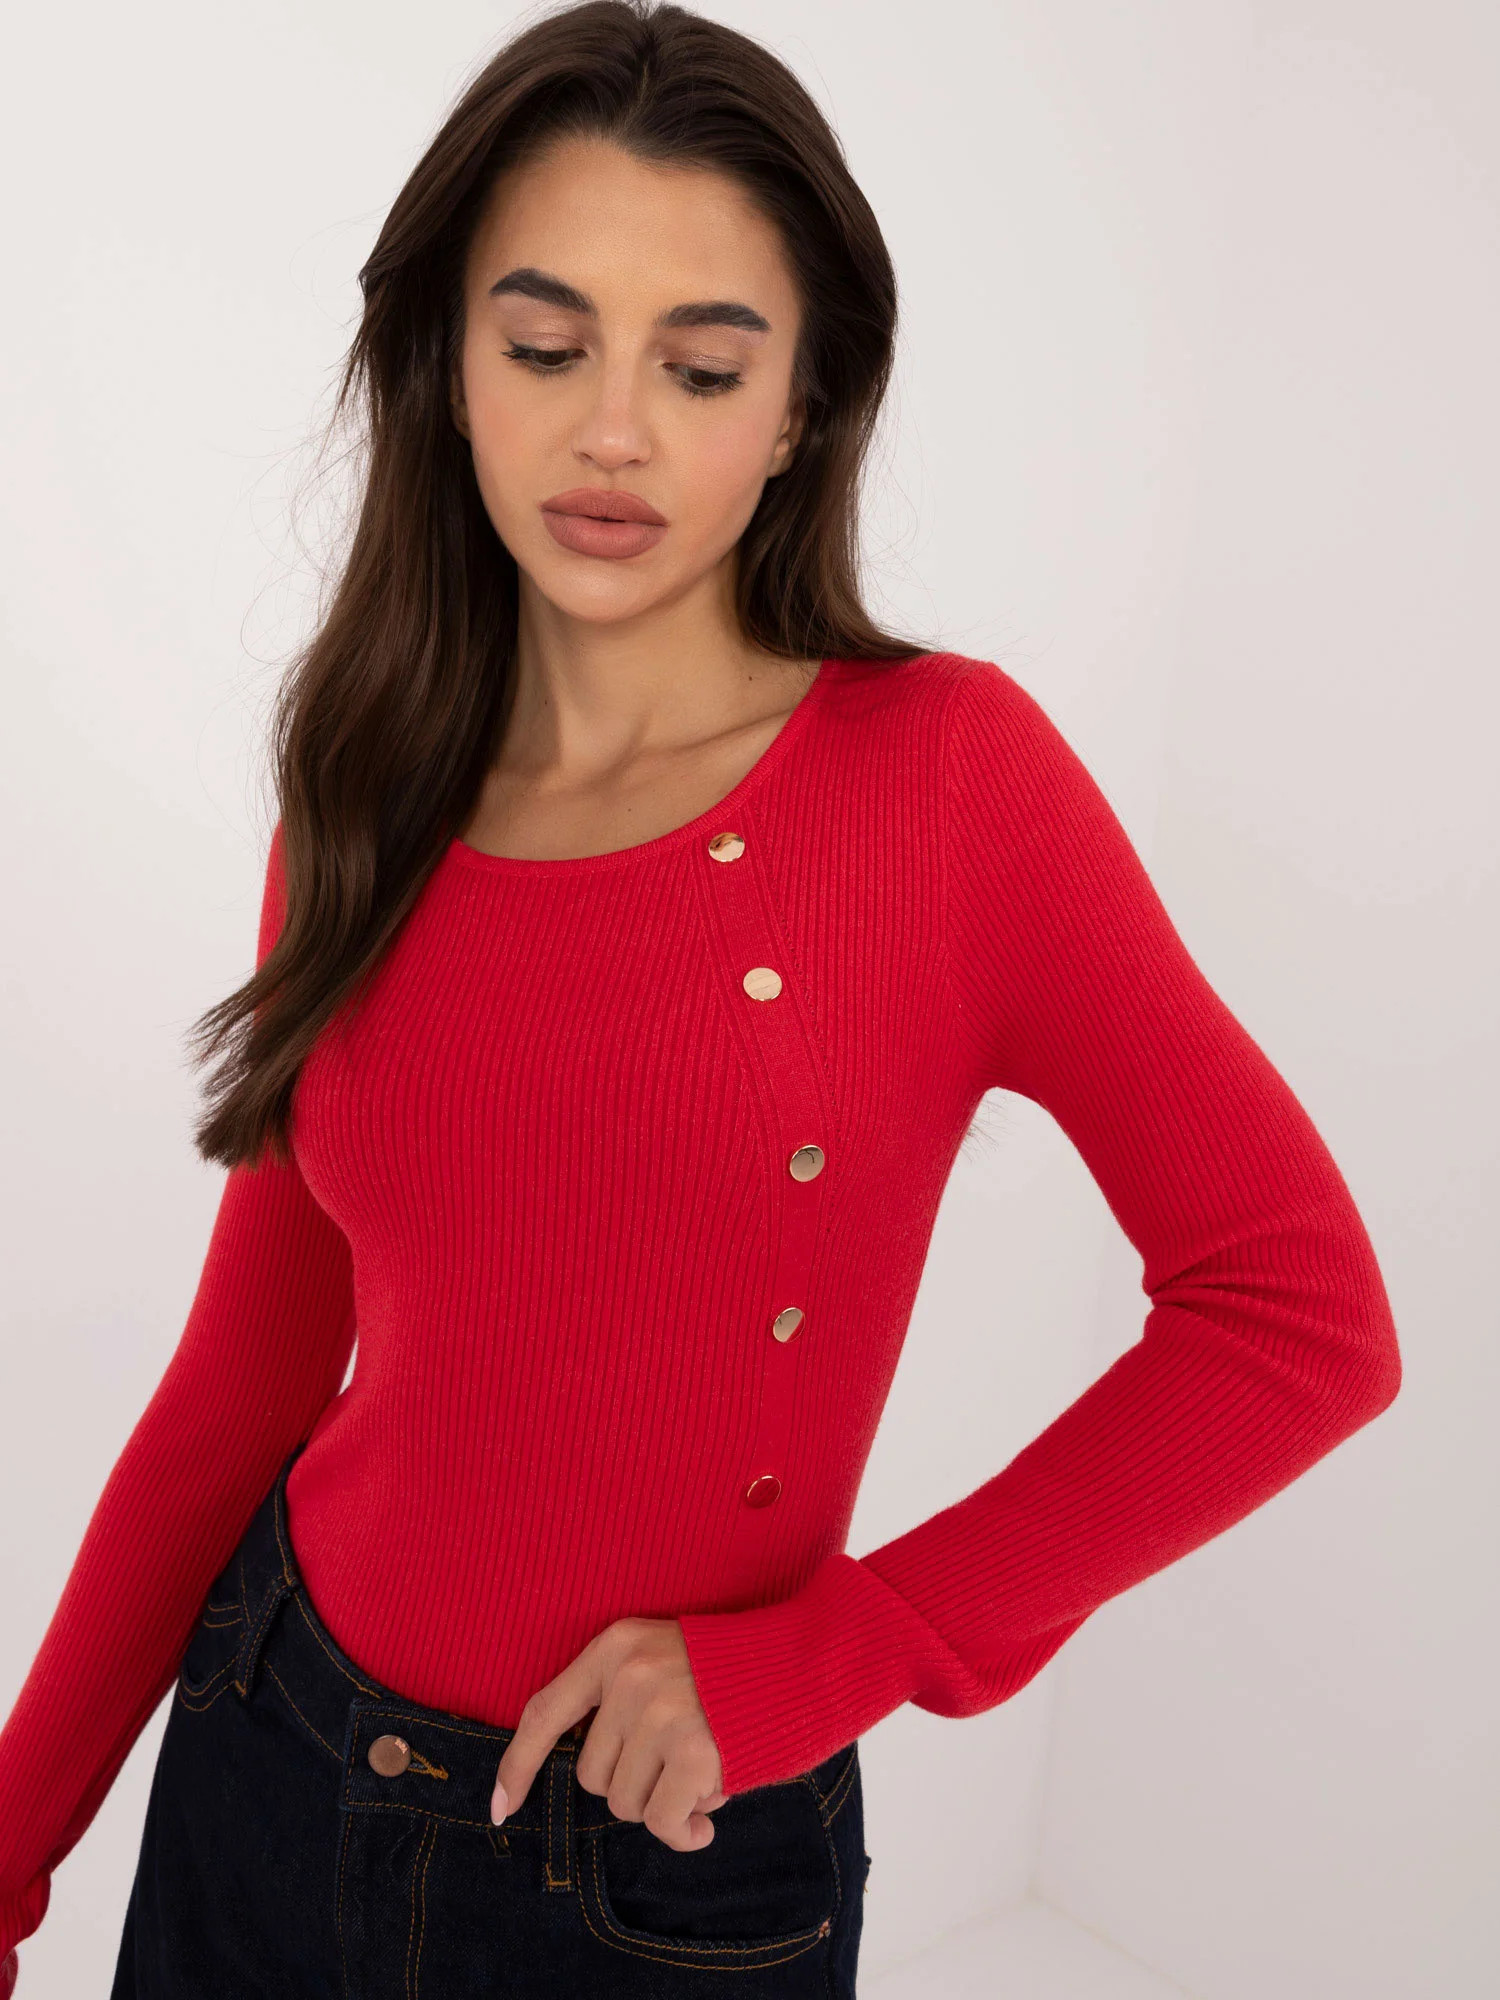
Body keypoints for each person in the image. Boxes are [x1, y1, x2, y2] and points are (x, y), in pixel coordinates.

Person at [0, 2, 1403, 1994]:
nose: (614, 432)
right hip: (267, 1757)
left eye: (703, 365)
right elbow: (250, 1369)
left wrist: (850, 1647)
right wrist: (12, 1841)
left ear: (805, 405)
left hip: (656, 1885)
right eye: (544, 345)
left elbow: (1299, 1315)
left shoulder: (949, 785)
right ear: (447, 365)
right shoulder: (370, 773)